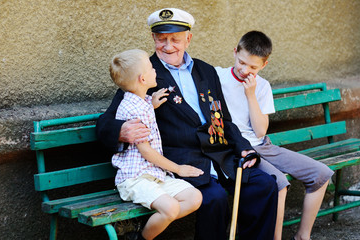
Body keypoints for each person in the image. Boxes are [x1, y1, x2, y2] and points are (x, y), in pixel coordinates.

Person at [96, 8, 278, 240]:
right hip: (181, 162)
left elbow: (224, 119)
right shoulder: (143, 73)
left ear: (188, 39)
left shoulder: (206, 70)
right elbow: (105, 123)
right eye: (162, 39)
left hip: (220, 157)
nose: (168, 46)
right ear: (153, 38)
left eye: (175, 39)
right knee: (214, 198)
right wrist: (121, 131)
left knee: (264, 186)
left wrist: (243, 147)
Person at [215, 30, 334, 240]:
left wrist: (250, 95)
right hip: (239, 149)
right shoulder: (218, 77)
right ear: (235, 52)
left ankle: (302, 236)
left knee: (321, 174)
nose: (244, 70)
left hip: (263, 146)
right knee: (279, 183)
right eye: (241, 62)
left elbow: (261, 131)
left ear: (264, 65)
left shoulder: (262, 87)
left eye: (253, 67)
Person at [108, 49, 203, 240]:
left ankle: (152, 222)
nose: (155, 71)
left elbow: (143, 109)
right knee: (171, 208)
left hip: (154, 175)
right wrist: (178, 168)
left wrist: (152, 104)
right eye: (152, 68)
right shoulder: (133, 109)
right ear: (143, 79)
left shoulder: (142, 101)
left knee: (194, 198)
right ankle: (142, 237)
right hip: (135, 178)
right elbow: (146, 152)